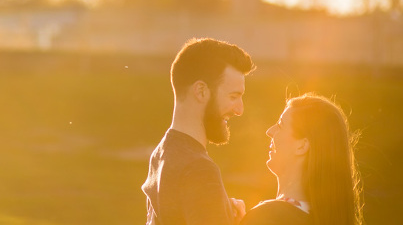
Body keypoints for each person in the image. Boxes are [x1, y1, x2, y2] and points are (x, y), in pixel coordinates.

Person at [142, 38, 256, 225]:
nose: (239, 110)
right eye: (233, 96)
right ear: (201, 91)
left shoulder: (161, 155)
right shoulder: (199, 170)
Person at [241, 93, 363, 225]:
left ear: (302, 146)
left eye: (280, 125)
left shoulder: (267, 216)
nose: (269, 131)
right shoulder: (327, 219)